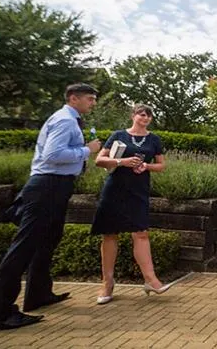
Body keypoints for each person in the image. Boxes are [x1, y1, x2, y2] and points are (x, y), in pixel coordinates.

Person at [0, 83, 101, 332]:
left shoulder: (70, 120)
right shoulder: (65, 121)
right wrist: (86, 151)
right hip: (48, 186)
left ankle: (38, 294)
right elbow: (52, 155)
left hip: (56, 186)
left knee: (48, 240)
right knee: (24, 245)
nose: (93, 103)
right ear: (73, 98)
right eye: (90, 99)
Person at [91, 104, 171, 305]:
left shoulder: (154, 139)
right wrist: (122, 162)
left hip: (139, 190)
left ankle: (151, 280)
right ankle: (107, 282)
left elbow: (161, 165)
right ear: (133, 116)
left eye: (149, 115)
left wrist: (146, 166)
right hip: (115, 187)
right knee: (110, 233)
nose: (145, 118)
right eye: (141, 114)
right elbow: (99, 159)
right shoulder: (118, 135)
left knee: (141, 232)